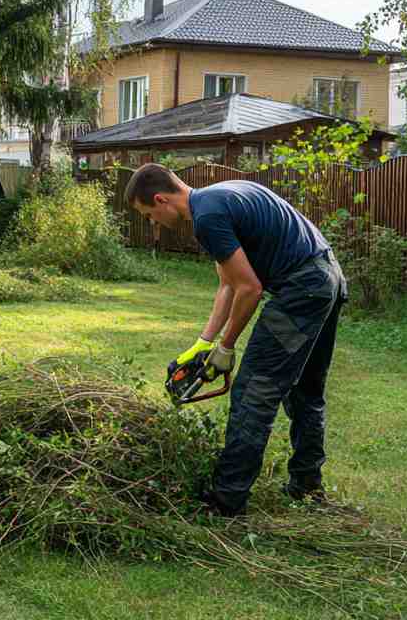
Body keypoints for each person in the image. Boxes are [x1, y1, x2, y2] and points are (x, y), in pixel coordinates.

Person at [125, 163, 347, 516]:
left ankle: (226, 500)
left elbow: (250, 289)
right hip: (327, 279)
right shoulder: (217, 198)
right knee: (306, 390)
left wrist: (226, 347)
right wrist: (204, 343)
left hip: (302, 292)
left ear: (161, 199)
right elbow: (228, 284)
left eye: (149, 215)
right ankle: (306, 485)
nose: (154, 223)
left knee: (253, 391)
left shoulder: (207, 218)